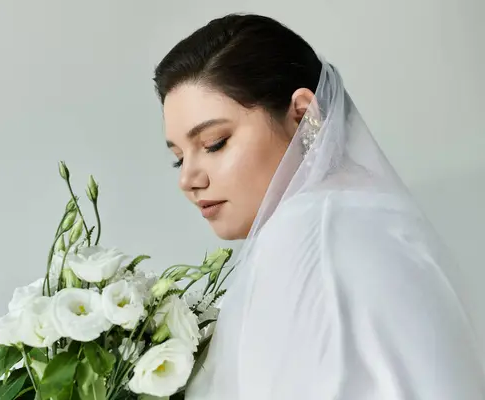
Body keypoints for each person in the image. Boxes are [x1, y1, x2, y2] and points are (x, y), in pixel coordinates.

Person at [153, 13, 485, 399]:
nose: (188, 179)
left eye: (214, 143)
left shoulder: (309, 232)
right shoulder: (364, 216)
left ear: (303, 115)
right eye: (179, 158)